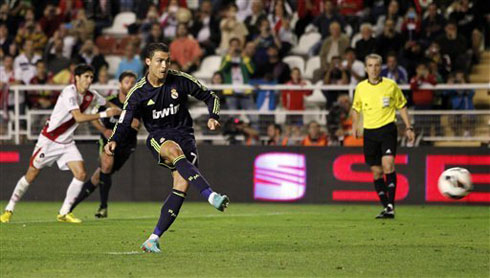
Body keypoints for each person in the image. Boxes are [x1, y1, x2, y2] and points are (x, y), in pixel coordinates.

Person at [104, 43, 229, 253]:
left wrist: (213, 117)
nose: (164, 66)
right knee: (173, 151)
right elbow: (125, 120)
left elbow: (211, 96)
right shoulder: (138, 92)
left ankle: (153, 239)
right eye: (159, 61)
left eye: (167, 61)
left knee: (181, 186)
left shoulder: (180, 79)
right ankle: (210, 195)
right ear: (148, 62)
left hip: (186, 135)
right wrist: (114, 139)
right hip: (159, 137)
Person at [0, 64, 121, 224]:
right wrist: (105, 113)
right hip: (49, 141)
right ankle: (9, 208)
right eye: (86, 76)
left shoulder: (91, 95)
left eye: (91, 77)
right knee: (31, 174)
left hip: (66, 142)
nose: (89, 80)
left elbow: (108, 104)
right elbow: (78, 117)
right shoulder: (68, 92)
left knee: (81, 174)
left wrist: (123, 113)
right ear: (76, 78)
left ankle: (64, 212)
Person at [351, 54, 415, 219]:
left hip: (387, 129)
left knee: (388, 164)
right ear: (366, 69)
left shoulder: (391, 85)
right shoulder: (360, 88)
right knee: (377, 172)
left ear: (381, 67)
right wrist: (355, 125)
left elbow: (402, 105)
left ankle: (391, 206)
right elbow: (356, 108)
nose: (374, 69)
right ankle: (386, 206)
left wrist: (409, 127)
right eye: (370, 66)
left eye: (377, 65)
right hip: (369, 132)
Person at [69, 71, 139, 218]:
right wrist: (103, 129)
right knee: (106, 164)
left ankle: (69, 207)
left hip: (126, 145)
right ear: (120, 84)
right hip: (108, 141)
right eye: (127, 82)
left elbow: (136, 124)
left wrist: (119, 113)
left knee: (97, 177)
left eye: (133, 82)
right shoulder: (109, 101)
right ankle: (102, 207)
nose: (130, 85)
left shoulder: (137, 103)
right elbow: (93, 116)